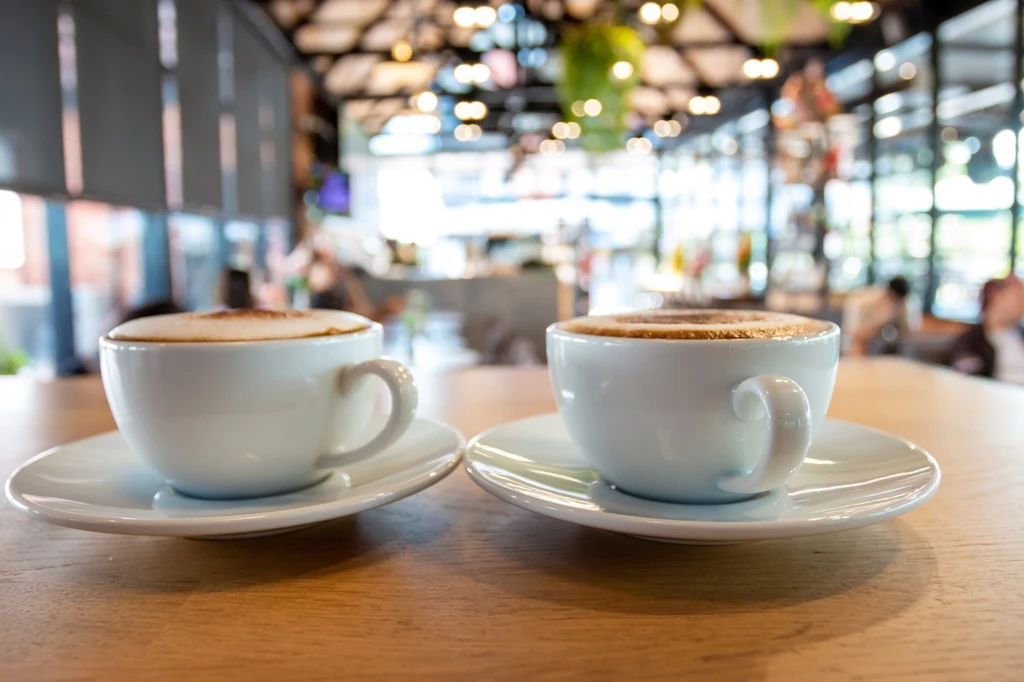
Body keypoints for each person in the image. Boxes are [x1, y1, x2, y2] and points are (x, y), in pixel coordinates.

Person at [949, 276, 1024, 384]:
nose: (1022, 303)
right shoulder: (973, 340)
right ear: (996, 296)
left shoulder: (1019, 334)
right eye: (1018, 297)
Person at [843, 277, 917, 356]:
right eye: (893, 297)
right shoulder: (865, 302)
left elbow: (908, 329)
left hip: (881, 343)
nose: (895, 301)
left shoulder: (902, 303)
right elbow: (855, 331)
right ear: (889, 291)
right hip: (857, 338)